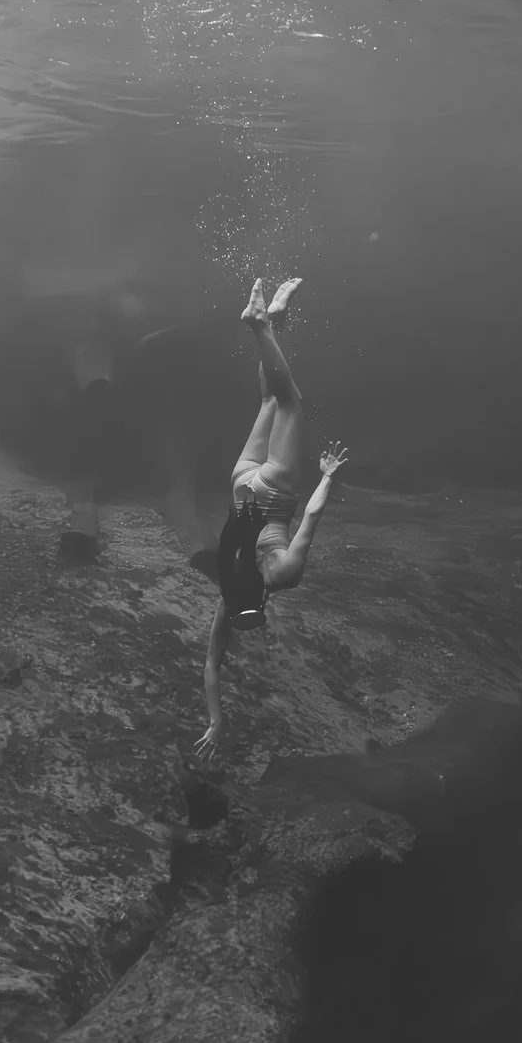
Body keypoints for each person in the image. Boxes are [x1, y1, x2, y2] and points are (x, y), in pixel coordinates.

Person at [198, 277, 347, 759]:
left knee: (290, 401)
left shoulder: (282, 576)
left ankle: (260, 324)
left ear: (261, 602)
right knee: (270, 399)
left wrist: (327, 477)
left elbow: (312, 518)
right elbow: (211, 666)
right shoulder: (226, 587)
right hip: (241, 482)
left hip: (275, 489)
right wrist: (215, 722)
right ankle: (275, 321)